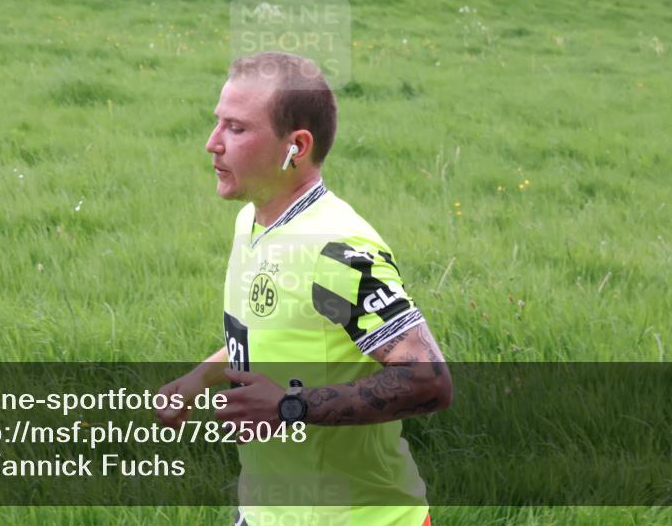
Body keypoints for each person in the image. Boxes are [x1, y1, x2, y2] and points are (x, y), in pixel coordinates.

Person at [156, 51, 452, 526]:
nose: (212, 143)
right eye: (218, 123)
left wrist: (289, 406)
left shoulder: (336, 247)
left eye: (237, 129)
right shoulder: (251, 221)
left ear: (295, 146)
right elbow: (276, 335)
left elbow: (429, 380)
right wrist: (198, 378)